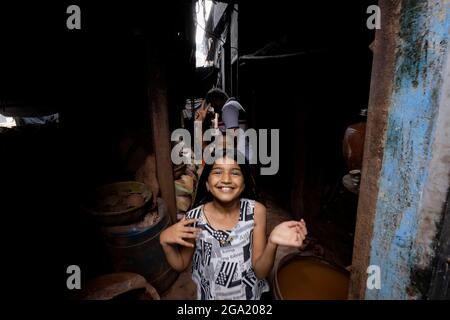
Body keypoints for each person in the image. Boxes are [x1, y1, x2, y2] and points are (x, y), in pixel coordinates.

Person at [160, 149, 307, 300]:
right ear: (207, 185)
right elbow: (181, 264)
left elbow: (260, 272)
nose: (226, 179)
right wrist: (165, 241)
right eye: (217, 172)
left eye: (235, 172)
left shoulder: (256, 211)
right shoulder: (194, 218)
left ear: (243, 185)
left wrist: (272, 243)